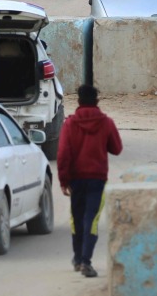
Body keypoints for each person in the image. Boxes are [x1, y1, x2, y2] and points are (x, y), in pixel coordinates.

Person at [58, 85, 122, 279]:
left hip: (76, 180)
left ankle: (78, 259)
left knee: (76, 218)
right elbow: (116, 148)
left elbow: (62, 155)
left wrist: (64, 180)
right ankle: (86, 261)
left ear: (78, 102)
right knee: (91, 220)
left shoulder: (70, 124)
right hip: (97, 180)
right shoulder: (106, 123)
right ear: (97, 101)